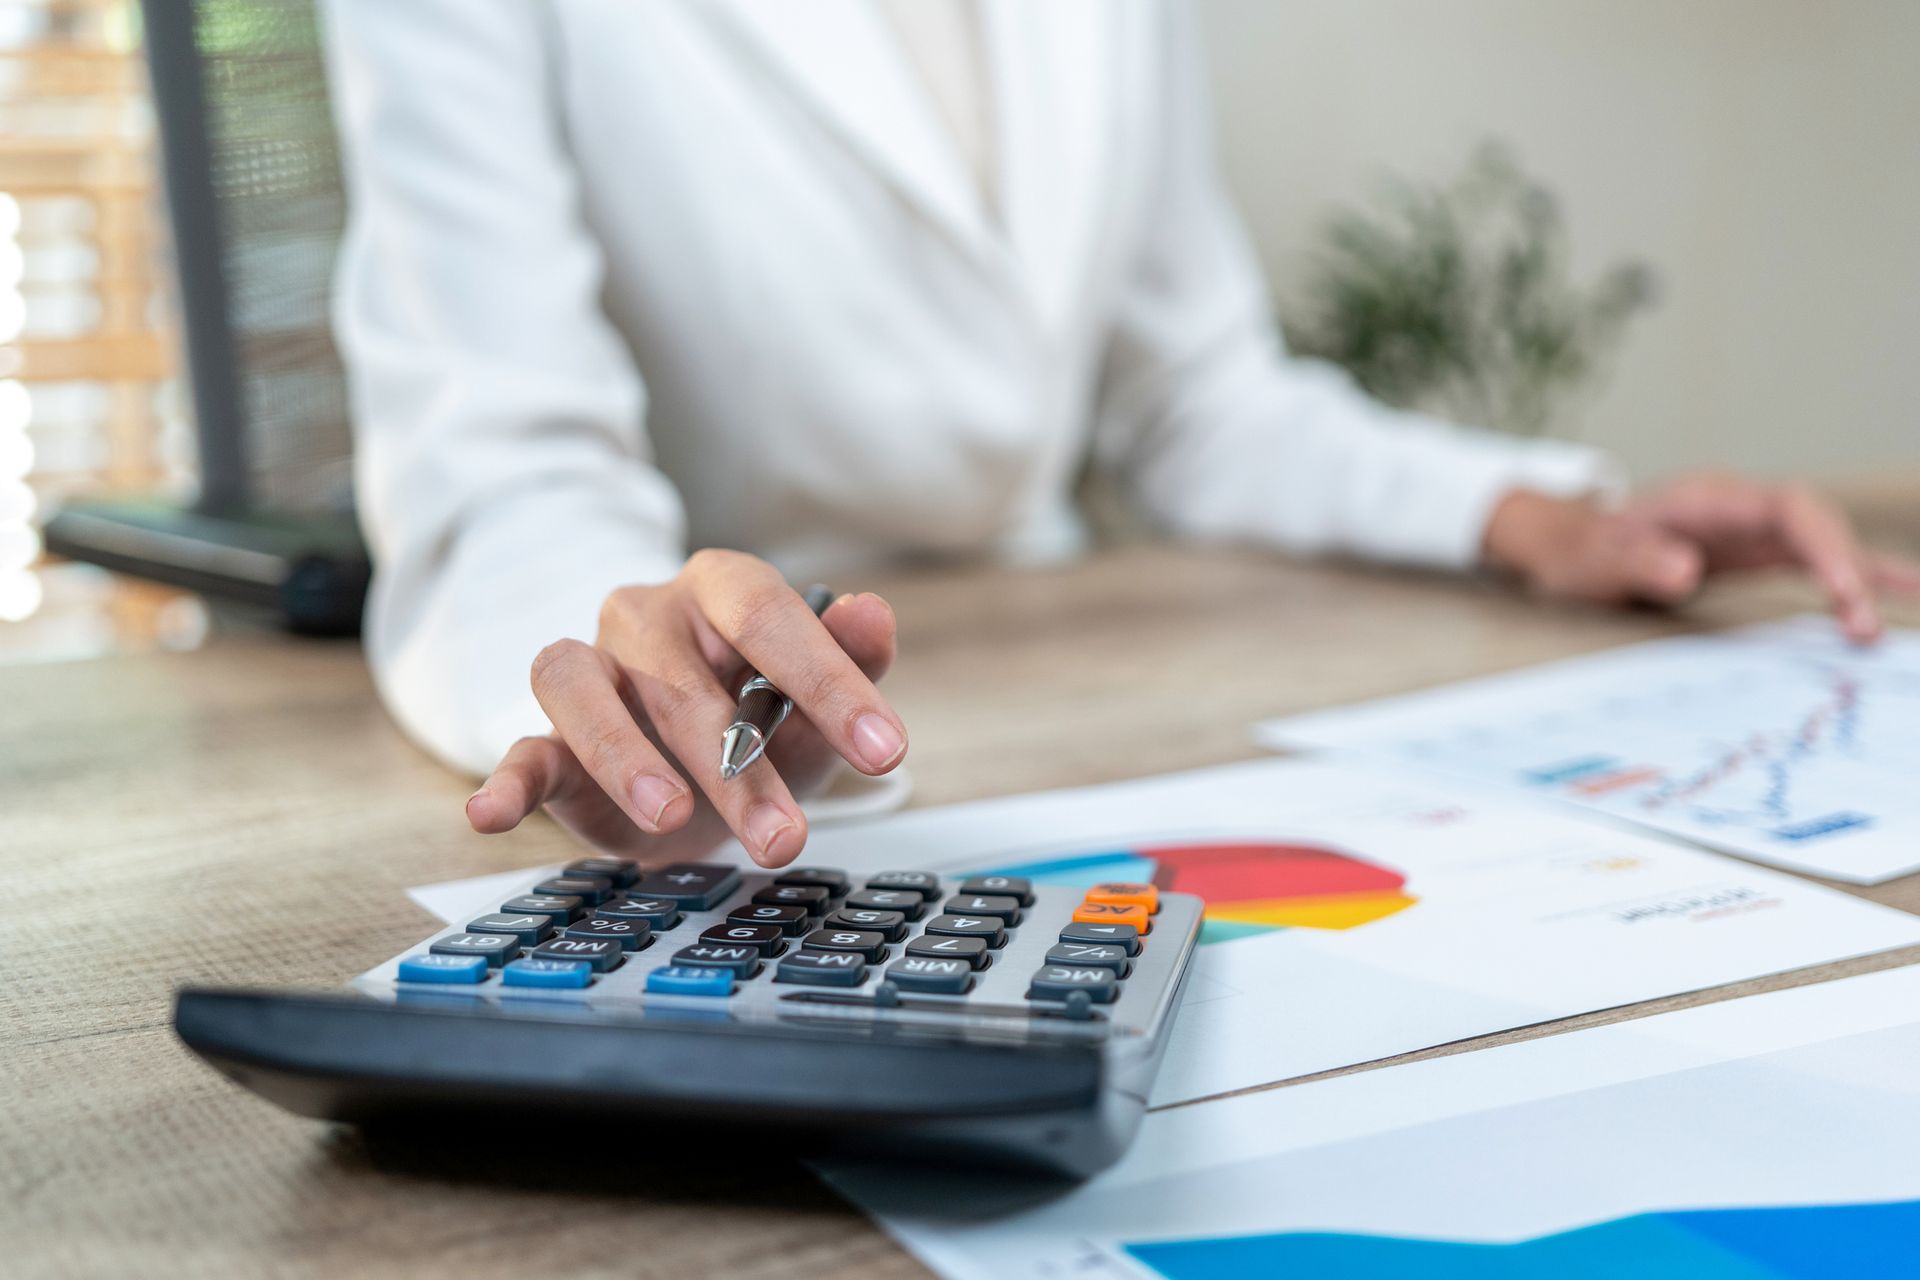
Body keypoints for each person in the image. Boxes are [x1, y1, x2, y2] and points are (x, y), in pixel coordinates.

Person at [321, 0, 1917, 868]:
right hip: (762, 767)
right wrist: (639, 679)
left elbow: (1195, 396)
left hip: (1068, 686)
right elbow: (502, 452)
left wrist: (1534, 516)